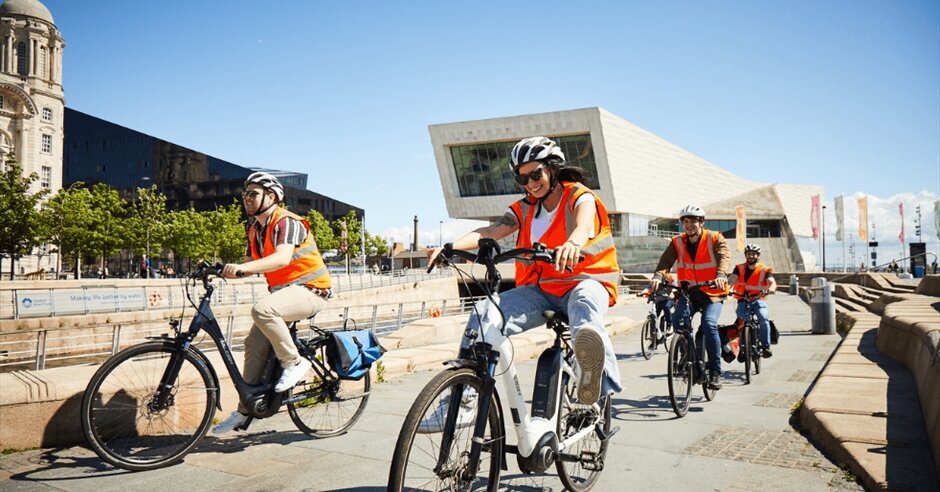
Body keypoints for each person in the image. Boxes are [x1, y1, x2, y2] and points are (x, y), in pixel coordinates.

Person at [421, 136, 622, 430]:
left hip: (587, 282)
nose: (530, 183)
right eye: (522, 177)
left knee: (583, 304)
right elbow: (491, 230)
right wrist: (449, 246)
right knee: (484, 313)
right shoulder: (524, 208)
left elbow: (584, 224)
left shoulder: (579, 196)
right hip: (543, 291)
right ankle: (463, 402)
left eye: (536, 174)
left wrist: (572, 244)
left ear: (552, 169)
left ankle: (589, 385)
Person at [212, 172, 333, 433]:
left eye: (253, 194)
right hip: (285, 294)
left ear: (272, 196)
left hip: (312, 291)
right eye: (245, 194)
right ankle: (246, 411)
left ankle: (294, 362)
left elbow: (281, 259)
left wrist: (242, 270)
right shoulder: (255, 229)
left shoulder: (286, 222)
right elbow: (250, 264)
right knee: (253, 343)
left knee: (262, 309)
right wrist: (221, 269)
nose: (247, 199)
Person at [649, 205, 730, 390]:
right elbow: (665, 262)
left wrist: (721, 275)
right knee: (678, 322)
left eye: (693, 221)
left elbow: (724, 257)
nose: (688, 225)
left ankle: (716, 372)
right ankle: (691, 360)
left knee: (709, 324)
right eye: (685, 221)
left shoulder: (715, 238)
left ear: (701, 222)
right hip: (689, 292)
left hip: (712, 293)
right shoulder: (677, 242)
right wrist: (657, 276)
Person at [728, 243, 777, 358]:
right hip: (742, 299)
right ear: (746, 255)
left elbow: (772, 282)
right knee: (741, 322)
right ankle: (742, 348)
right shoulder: (739, 268)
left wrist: (770, 289)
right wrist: (728, 289)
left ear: (758, 256)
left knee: (763, 318)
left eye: (754, 254)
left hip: (758, 299)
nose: (751, 256)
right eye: (749, 254)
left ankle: (766, 347)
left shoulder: (764, 269)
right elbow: (732, 280)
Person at [640, 272, 675, 339]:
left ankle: (669, 325)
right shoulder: (655, 279)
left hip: (668, 299)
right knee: (654, 316)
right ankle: (653, 337)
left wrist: (672, 292)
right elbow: (649, 287)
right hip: (658, 300)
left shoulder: (670, 278)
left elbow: (674, 287)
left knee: (666, 306)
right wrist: (642, 292)